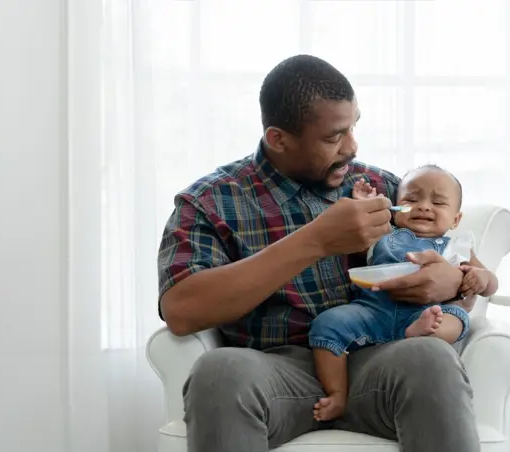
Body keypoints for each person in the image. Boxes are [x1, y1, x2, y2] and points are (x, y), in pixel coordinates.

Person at [157, 54, 479, 452]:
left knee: (431, 360)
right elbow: (181, 309)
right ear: (278, 138)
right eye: (333, 137)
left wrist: (453, 279)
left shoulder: (381, 186)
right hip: (276, 371)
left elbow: (460, 256)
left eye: (354, 127)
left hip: (378, 360)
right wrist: (316, 240)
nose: (352, 146)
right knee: (219, 371)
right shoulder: (211, 202)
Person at [309, 166, 499, 422]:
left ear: (455, 219)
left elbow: (492, 284)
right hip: (373, 311)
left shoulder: (458, 246)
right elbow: (360, 226)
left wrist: (481, 278)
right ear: (396, 209)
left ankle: (423, 332)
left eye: (438, 202)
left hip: (429, 314)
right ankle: (337, 394)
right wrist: (364, 204)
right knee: (326, 324)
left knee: (455, 317)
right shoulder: (384, 234)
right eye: (411, 199)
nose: (423, 206)